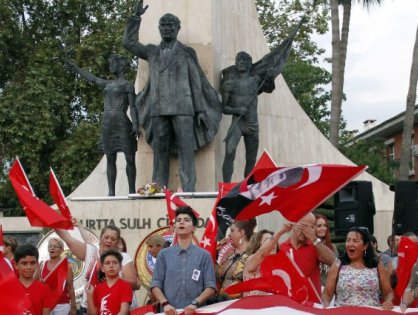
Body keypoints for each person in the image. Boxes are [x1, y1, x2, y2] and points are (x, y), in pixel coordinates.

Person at [123, 1, 221, 192]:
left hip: (184, 108)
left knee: (186, 151)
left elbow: (196, 82)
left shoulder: (186, 52)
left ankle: (189, 190)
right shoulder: (151, 51)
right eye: (163, 26)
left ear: (178, 29)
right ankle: (157, 189)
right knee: (160, 152)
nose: (167, 29)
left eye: (170, 26)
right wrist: (136, 18)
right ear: (159, 29)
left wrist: (200, 109)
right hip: (158, 108)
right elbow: (128, 43)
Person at [64, 53, 138, 196]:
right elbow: (93, 79)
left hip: (121, 121)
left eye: (113, 63)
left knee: (129, 157)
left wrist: (135, 124)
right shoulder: (108, 84)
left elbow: (133, 107)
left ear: (120, 66)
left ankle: (132, 190)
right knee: (110, 157)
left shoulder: (127, 86)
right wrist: (75, 68)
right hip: (107, 122)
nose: (110, 66)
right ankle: (111, 192)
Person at [54, 221, 139, 307]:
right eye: (106, 237)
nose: (109, 241)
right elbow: (67, 238)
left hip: (115, 308)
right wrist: (51, 220)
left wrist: (114, 278)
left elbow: (133, 283)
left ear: (117, 242)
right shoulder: (90, 252)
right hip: (88, 308)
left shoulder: (124, 257)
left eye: (113, 239)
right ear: (100, 238)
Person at [220, 52, 275, 182]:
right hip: (237, 123)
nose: (242, 63)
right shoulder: (229, 84)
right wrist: (237, 109)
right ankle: (226, 184)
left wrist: (270, 77)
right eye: (239, 60)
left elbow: (269, 88)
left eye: (245, 61)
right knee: (230, 151)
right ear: (235, 63)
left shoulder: (255, 81)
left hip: (252, 125)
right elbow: (224, 108)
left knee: (251, 158)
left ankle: (248, 185)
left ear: (250, 64)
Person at [150, 206, 216, 315]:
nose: (182, 223)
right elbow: (155, 284)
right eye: (178, 220)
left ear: (194, 228)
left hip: (196, 314)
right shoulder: (164, 255)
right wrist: (165, 304)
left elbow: (211, 287)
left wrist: (195, 303)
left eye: (186, 220)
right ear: (174, 227)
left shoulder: (204, 256)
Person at [322, 227, 394, 310]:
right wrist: (326, 303)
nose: (350, 244)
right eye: (348, 240)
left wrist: (388, 301)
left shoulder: (376, 265)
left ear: (365, 246)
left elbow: (388, 292)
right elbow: (327, 293)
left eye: (355, 241)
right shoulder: (338, 265)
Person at [278, 213, 337, 295]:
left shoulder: (315, 246)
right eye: (303, 227)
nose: (305, 232)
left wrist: (314, 239)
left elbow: (334, 262)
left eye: (310, 228)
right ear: (294, 224)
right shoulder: (282, 247)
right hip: (290, 301)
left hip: (311, 302)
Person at [86, 249, 133, 315]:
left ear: (120, 267)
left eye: (115, 263)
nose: (111, 266)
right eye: (107, 263)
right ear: (102, 269)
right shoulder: (97, 288)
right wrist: (89, 295)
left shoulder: (125, 286)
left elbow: (124, 311)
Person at [38, 237, 77, 315]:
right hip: (45, 306)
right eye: (50, 246)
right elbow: (35, 284)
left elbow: (70, 288)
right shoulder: (41, 265)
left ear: (61, 250)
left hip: (62, 306)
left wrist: (73, 307)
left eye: (55, 246)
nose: (52, 248)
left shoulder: (66, 267)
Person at [217, 219, 256, 298]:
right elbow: (218, 277)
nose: (229, 235)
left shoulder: (253, 255)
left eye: (232, 231)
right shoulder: (231, 254)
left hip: (239, 304)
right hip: (221, 302)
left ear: (241, 233)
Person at [14, 244, 53, 315]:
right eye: (24, 263)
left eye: (32, 263)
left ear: (37, 264)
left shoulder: (44, 289)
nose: (29, 267)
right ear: (16, 265)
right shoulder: (8, 288)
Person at [314, 213, 338, 288]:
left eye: (325, 225)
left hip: (329, 289)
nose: (323, 228)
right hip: (313, 289)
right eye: (319, 226)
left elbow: (337, 268)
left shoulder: (332, 247)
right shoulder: (309, 248)